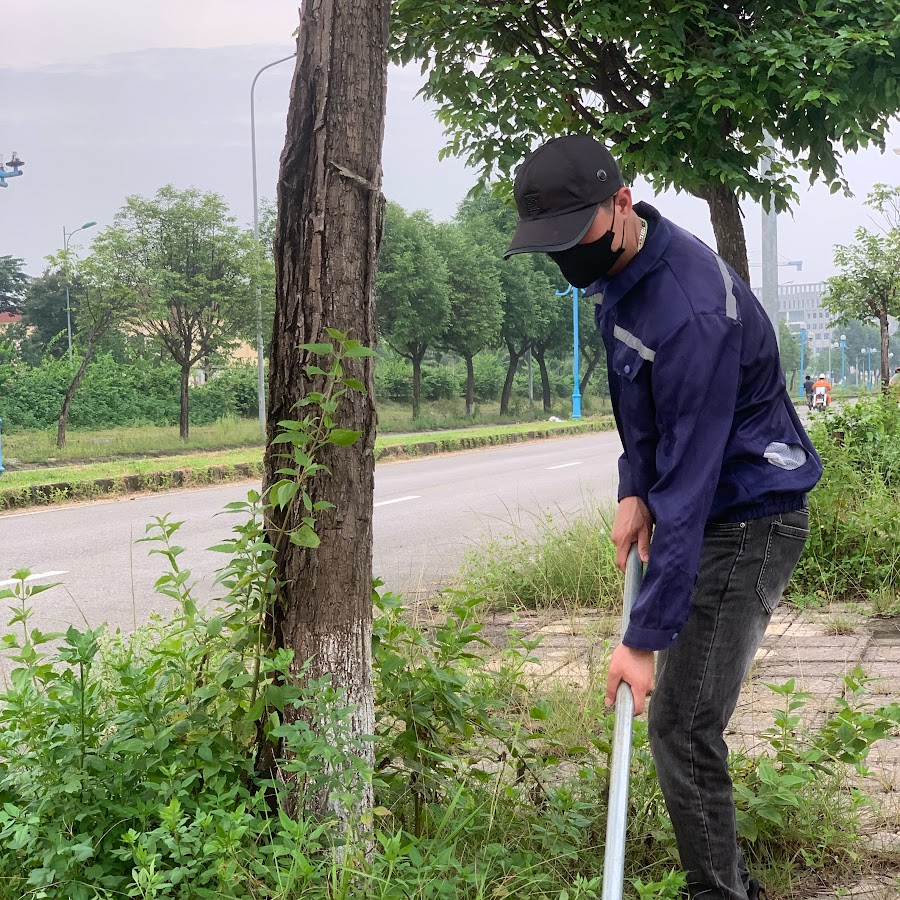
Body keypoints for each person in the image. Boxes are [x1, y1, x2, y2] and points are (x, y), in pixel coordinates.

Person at [504, 135, 822, 900]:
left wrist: (641, 640)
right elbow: (643, 412)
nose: (567, 256)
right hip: (707, 503)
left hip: (748, 519)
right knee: (683, 724)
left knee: (681, 725)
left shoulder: (689, 311)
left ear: (621, 204)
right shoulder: (622, 271)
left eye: (575, 234)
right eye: (551, 242)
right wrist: (630, 489)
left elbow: (689, 484)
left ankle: (717, 892)